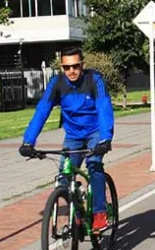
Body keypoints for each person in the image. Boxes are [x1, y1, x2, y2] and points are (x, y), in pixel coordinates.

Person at [19, 47, 115, 233]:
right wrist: (28, 142)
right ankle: (76, 214)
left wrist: (105, 138)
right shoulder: (56, 84)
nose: (71, 71)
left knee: (94, 164)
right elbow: (42, 111)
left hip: (95, 132)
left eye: (75, 66)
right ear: (61, 68)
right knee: (64, 177)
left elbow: (104, 108)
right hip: (73, 135)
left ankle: (99, 214)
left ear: (82, 65)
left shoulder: (95, 80)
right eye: (66, 67)